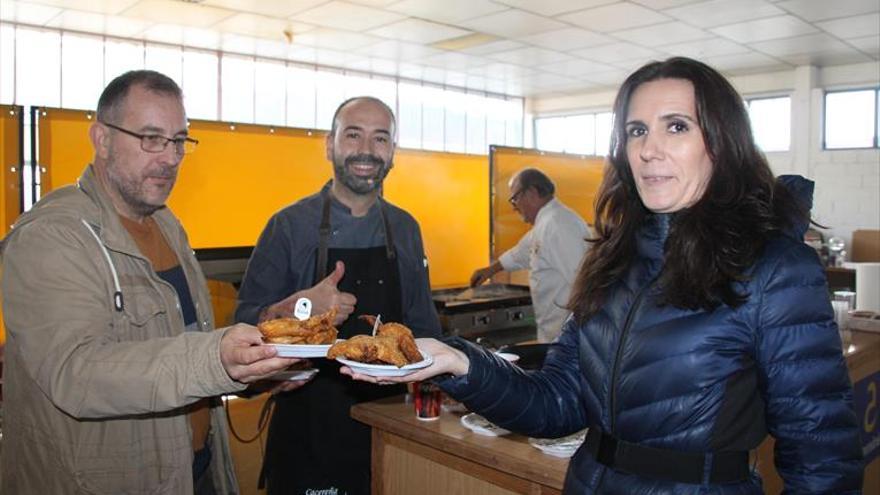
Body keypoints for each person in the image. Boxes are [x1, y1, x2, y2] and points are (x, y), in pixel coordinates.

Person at [344, 57, 864, 493]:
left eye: (676, 126)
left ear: (721, 142)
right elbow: (557, 404)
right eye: (636, 130)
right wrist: (461, 362)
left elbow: (821, 453)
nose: (649, 148)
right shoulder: (616, 259)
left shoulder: (773, 267)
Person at [0, 70, 299, 495]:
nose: (171, 157)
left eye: (179, 140)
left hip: (192, 470)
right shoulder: (52, 238)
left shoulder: (166, 224)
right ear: (101, 139)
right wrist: (215, 358)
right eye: (152, 138)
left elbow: (178, 344)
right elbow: (77, 372)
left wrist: (252, 369)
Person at [235, 96, 442, 494]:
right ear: (330, 144)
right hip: (308, 428)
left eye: (380, 138)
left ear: (393, 152)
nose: (366, 150)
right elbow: (244, 327)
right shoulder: (289, 226)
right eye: (353, 135)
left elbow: (424, 330)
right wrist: (305, 307)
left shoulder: (405, 228)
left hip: (391, 426)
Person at [470, 168, 590, 342]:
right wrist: (490, 270)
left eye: (515, 198)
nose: (514, 207)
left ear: (532, 192)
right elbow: (521, 252)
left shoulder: (559, 224)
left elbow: (582, 280)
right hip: (554, 333)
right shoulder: (545, 223)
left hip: (567, 337)